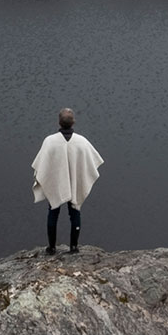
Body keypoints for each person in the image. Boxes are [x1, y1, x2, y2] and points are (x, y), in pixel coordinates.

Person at [31, 108, 104, 255]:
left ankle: (51, 248)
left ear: (59, 122)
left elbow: (41, 165)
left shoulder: (50, 141)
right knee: (75, 212)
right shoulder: (82, 141)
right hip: (75, 182)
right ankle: (74, 247)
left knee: (53, 213)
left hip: (56, 183)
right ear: (73, 122)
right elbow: (92, 161)